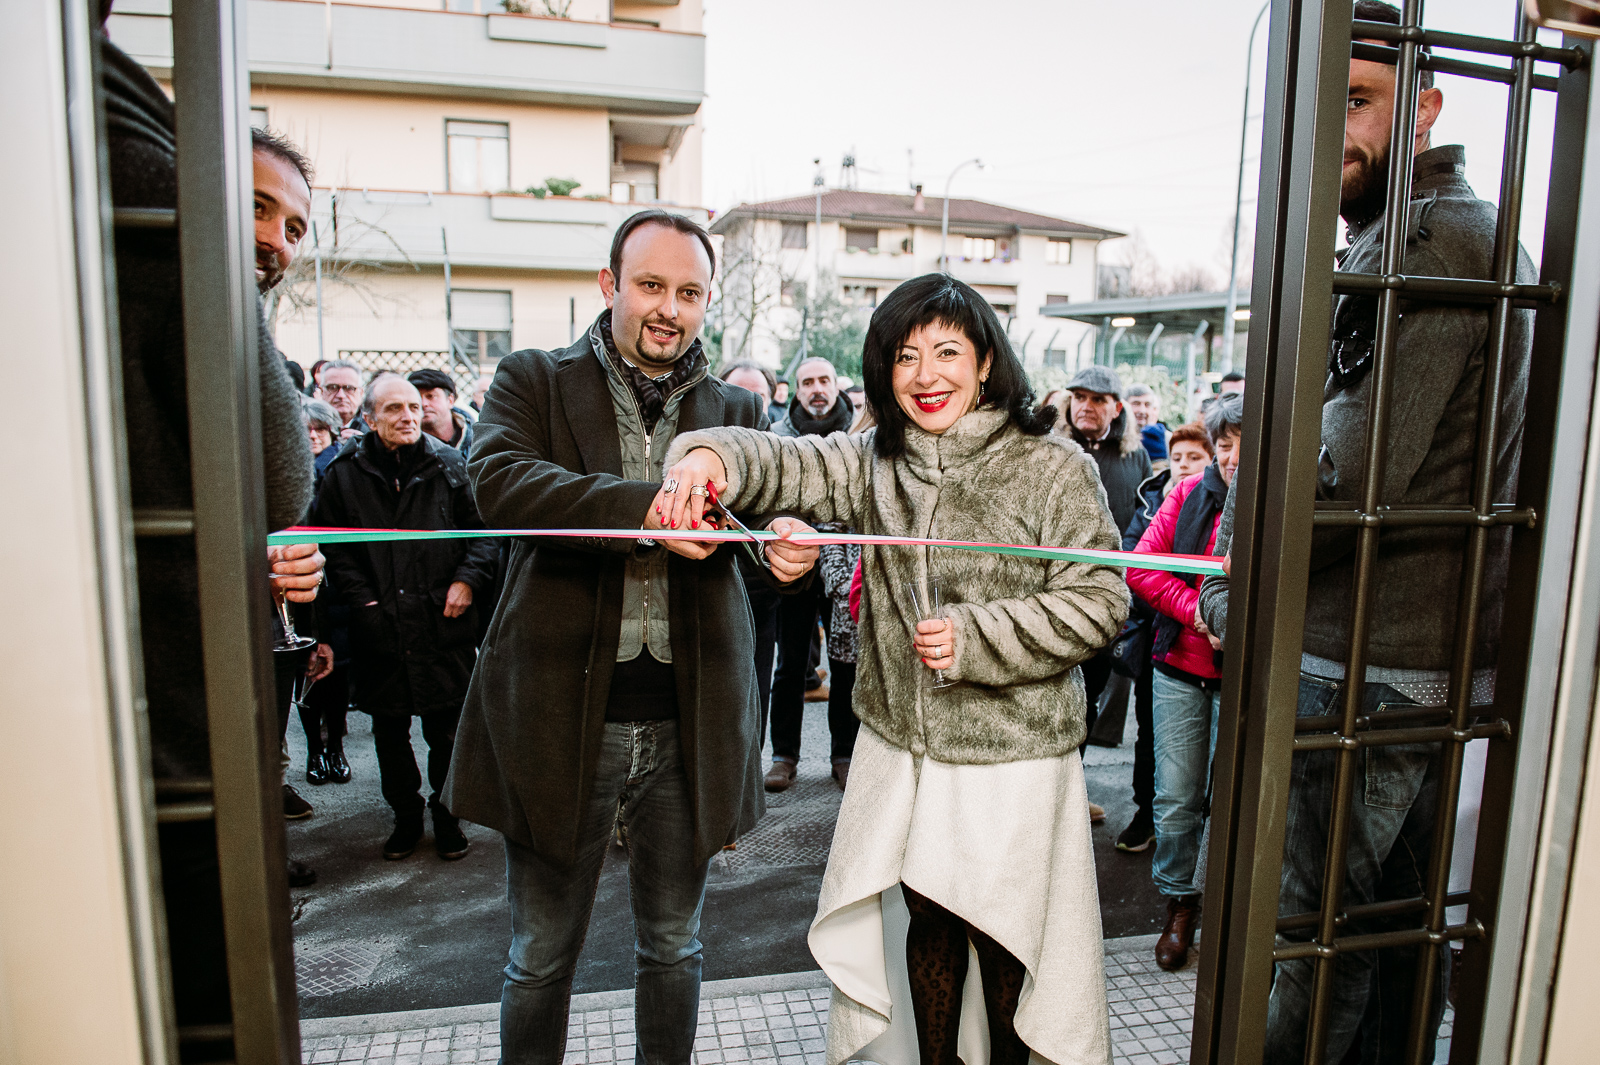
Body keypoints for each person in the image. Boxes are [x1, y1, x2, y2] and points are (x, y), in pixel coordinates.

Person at [657, 273, 1129, 1065]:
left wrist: (981, 637)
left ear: (986, 361)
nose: (925, 374)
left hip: (1014, 761)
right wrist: (703, 459)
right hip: (903, 753)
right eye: (905, 355)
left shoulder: (1052, 465)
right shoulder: (877, 457)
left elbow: (1101, 598)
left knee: (1010, 946)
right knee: (929, 928)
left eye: (947, 350)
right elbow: (781, 461)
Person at [1200, 4, 1535, 1060]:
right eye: (1319, 102)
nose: (1332, 131)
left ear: (1425, 109)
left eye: (1357, 101)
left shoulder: (1427, 238)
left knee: (1306, 959)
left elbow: (1344, 478)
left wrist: (1231, 585)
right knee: (1390, 959)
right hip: (1419, 670)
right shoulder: (1455, 233)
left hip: (1363, 669)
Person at [442, 209, 819, 1065]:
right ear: (610, 285)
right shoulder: (533, 378)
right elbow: (500, 482)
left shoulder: (738, 405)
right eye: (650, 285)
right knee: (539, 955)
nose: (669, 309)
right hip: (557, 717)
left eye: (688, 292)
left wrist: (788, 540)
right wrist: (644, 509)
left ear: (707, 302)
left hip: (691, 726)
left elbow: (772, 512)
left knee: (674, 945)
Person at [102, 14, 319, 1032]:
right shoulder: (159, 231)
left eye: (294, 228)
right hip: (159, 715)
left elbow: (271, 514)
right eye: (258, 210)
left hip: (212, 682)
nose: (273, 241)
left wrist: (273, 564)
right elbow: (280, 476)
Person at [313, 375, 498, 860]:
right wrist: (365, 603)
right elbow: (334, 549)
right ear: (369, 419)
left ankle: (447, 815)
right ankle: (406, 818)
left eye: (414, 407)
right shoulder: (343, 474)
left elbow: (486, 533)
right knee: (389, 734)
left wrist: (467, 580)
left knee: (447, 733)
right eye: (394, 408)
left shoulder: (452, 466)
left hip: (444, 621)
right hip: (380, 628)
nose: (409, 417)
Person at [1125, 396, 1241, 972]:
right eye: (1224, 448)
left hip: (1246, 676)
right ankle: (1179, 904)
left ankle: (1219, 905)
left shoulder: (1280, 506)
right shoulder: (1187, 496)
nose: (1231, 460)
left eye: (1243, 446)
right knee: (1175, 800)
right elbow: (1141, 567)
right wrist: (1200, 614)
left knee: (1229, 800)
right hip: (1180, 668)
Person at [1054, 364, 1152, 821]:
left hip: (1104, 599)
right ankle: (1039, 796)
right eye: (1079, 397)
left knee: (1086, 697)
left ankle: (1070, 791)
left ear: (1117, 407)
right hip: (1049, 593)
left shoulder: (1135, 459)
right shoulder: (1050, 448)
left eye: (1097, 399)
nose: (1085, 407)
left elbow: (1145, 525)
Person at [1112, 422, 1214, 855]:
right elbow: (1138, 560)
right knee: (1154, 742)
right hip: (1162, 640)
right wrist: (1194, 610)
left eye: (1195, 457)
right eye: (1177, 458)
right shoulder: (1156, 496)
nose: (1184, 466)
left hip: (1214, 653)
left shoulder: (1227, 501)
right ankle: (1145, 816)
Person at [765, 355, 858, 790]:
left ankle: (844, 754)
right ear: (797, 390)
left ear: (837, 385)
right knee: (790, 663)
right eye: (807, 382)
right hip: (795, 562)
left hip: (847, 566)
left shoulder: (861, 432)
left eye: (824, 379)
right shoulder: (779, 435)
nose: (816, 388)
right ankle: (783, 756)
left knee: (846, 663)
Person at [719, 361, 784, 721]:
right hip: (710, 588)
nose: (747, 403)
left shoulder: (779, 455)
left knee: (756, 691)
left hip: (759, 593)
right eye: (739, 392)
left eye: (757, 396)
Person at [408, 368, 475, 457]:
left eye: (431, 396)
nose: (423, 403)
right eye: (417, 398)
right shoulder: (404, 445)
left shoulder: (479, 440)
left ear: (450, 400)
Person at [321, 358, 368, 439]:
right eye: (332, 388)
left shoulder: (375, 428)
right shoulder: (309, 428)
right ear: (322, 392)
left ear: (361, 393)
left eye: (349, 388)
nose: (341, 395)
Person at [1124, 383, 1169, 468]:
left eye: (1147, 405)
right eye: (1136, 404)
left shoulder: (1167, 440)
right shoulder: (1115, 440)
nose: (1142, 410)